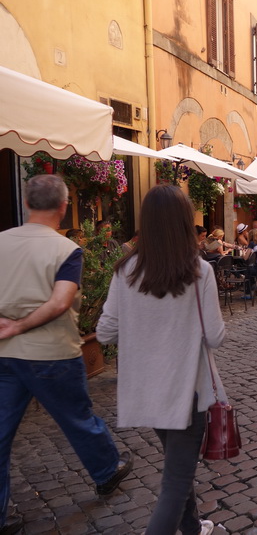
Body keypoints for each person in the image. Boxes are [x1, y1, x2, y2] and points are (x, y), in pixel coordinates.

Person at [0, 175, 133, 533]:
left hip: (5, 356)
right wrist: (20, 325)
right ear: (63, 207)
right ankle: (107, 471)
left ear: (27, 204)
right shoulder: (66, 250)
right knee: (77, 418)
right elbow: (60, 302)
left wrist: (7, 326)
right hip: (52, 353)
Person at [97, 184, 225, 535]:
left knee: (177, 468)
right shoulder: (199, 271)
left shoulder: (126, 271)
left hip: (146, 388)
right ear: (185, 222)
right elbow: (215, 336)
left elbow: (105, 333)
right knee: (175, 481)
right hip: (188, 392)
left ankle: (193, 527)